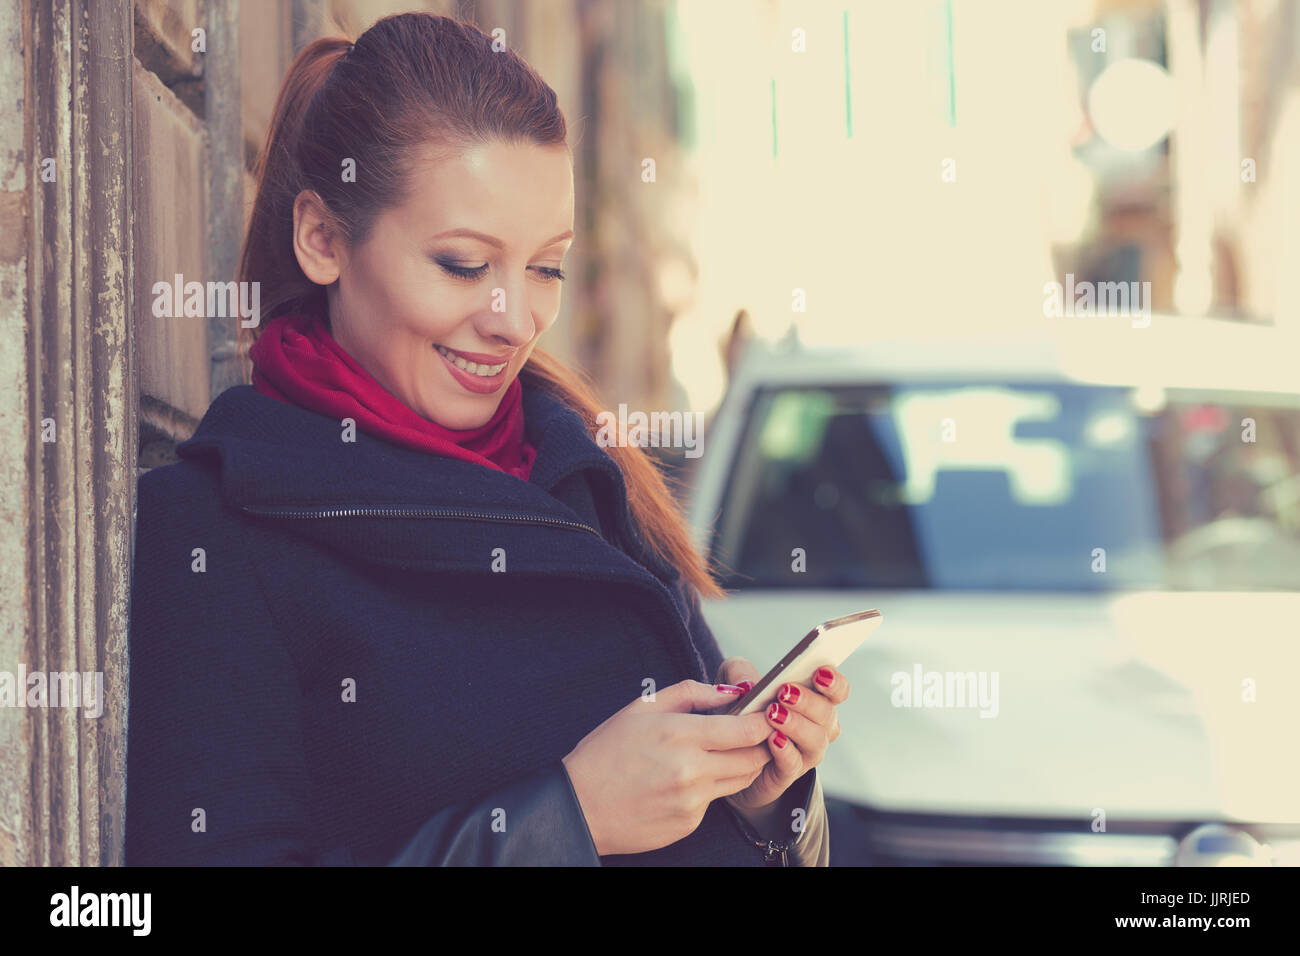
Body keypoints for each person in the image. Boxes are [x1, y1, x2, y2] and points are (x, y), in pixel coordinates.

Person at [124, 12, 844, 866]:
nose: (516, 323)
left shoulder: (587, 467)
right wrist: (565, 819)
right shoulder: (217, 533)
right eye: (465, 265)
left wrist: (767, 800)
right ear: (323, 239)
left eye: (546, 268)